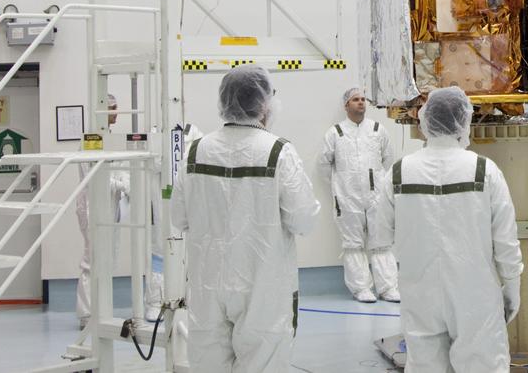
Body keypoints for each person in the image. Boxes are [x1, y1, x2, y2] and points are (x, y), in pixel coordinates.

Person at [171, 65, 319, 373]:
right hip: (263, 286)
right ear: (264, 104)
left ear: (224, 101)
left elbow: (179, 217)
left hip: (206, 283)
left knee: (207, 363)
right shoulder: (278, 152)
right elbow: (303, 219)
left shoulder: (196, 151)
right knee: (263, 362)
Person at [372, 86, 522, 372]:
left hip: (420, 290)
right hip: (474, 293)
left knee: (425, 364)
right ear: (464, 121)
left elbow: (380, 234)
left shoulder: (399, 172)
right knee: (483, 364)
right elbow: (505, 240)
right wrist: (512, 285)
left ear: (425, 120)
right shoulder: (484, 170)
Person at [76, 94, 167, 329]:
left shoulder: (110, 138)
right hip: (93, 206)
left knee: (107, 258)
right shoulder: (91, 140)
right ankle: (87, 314)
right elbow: (95, 178)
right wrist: (125, 183)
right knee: (94, 259)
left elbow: (117, 170)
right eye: (113, 108)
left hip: (111, 205)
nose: (117, 112)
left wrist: (127, 182)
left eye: (117, 107)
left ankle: (99, 309)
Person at [318, 87, 399, 303]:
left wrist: (379, 184)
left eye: (363, 99)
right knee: (353, 243)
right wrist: (340, 187)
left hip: (376, 196)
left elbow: (388, 160)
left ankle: (388, 287)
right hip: (347, 197)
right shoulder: (335, 133)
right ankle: (361, 288)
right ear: (346, 105)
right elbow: (324, 165)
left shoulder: (377, 129)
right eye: (356, 100)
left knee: (381, 241)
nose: (361, 103)